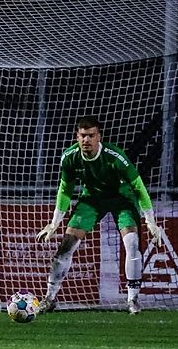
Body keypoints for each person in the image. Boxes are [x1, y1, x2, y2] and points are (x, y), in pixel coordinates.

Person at [35, 116, 165, 315]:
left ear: (99, 137)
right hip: (92, 200)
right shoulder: (69, 157)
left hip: (121, 198)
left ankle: (133, 300)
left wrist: (150, 221)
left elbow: (138, 187)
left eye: (91, 136)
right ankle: (49, 298)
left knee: (131, 243)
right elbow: (65, 189)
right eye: (83, 136)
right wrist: (54, 223)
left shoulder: (115, 156)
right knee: (66, 246)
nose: (86, 140)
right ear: (77, 137)